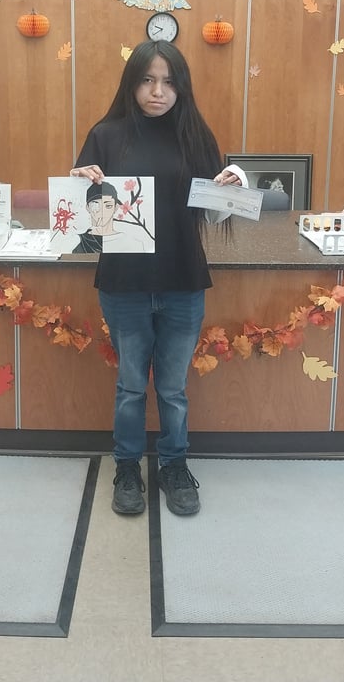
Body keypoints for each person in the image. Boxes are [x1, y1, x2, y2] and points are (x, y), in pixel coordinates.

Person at [70, 41, 246, 517]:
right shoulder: (106, 136)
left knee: (172, 388)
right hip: (124, 284)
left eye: (168, 82)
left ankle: (174, 465)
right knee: (131, 386)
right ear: (132, 83)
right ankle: (127, 467)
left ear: (181, 87)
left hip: (182, 281)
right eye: (147, 80)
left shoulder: (196, 136)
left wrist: (234, 182)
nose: (157, 91)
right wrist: (80, 185)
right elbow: (88, 224)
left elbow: (217, 211)